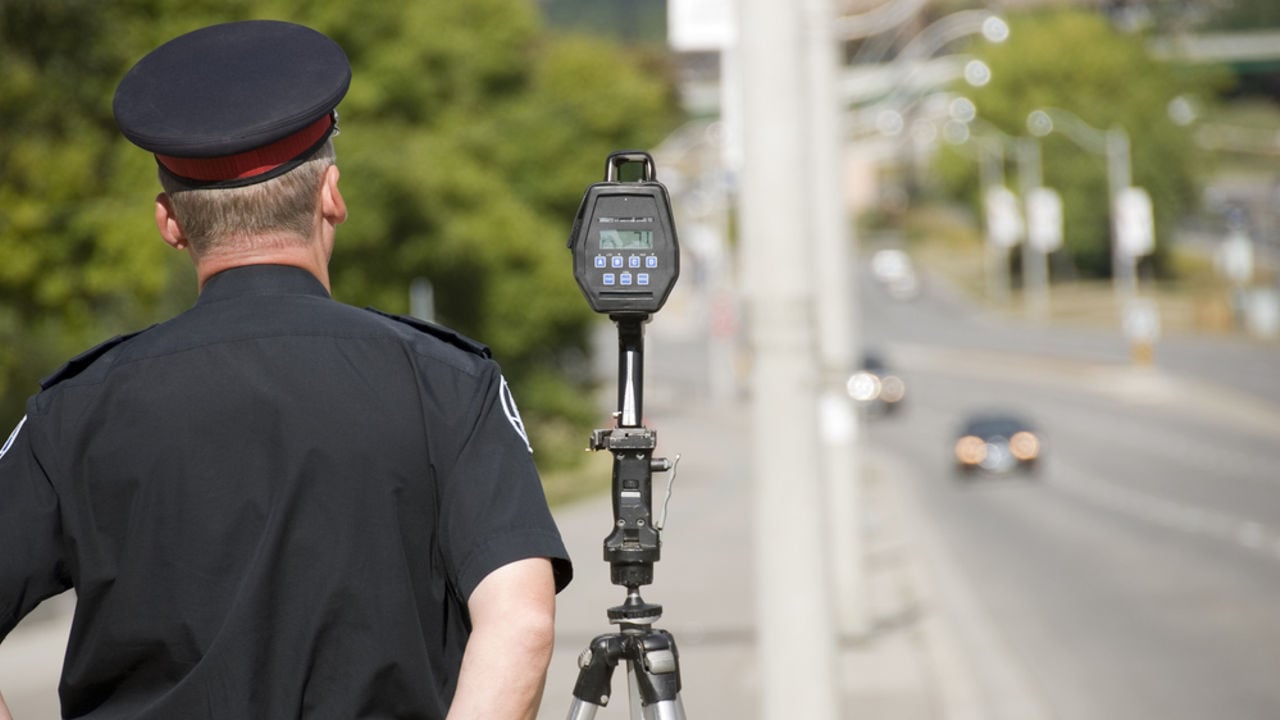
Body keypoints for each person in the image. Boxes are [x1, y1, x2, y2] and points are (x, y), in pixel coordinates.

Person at [0, 20, 571, 719]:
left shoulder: (75, 408)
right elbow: (520, 621)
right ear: (330, 192)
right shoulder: (445, 382)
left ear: (170, 222)